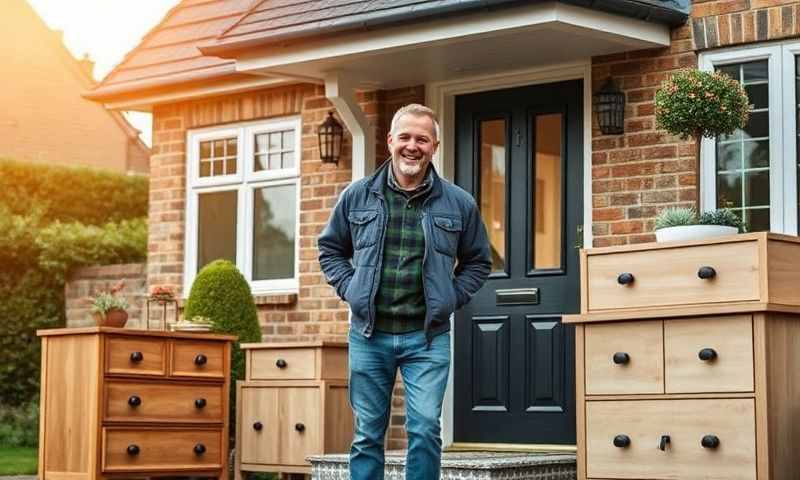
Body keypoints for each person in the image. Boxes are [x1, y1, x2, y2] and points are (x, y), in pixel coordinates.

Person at [318, 104, 491, 480]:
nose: (413, 147)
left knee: (426, 428)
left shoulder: (459, 203)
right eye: (406, 137)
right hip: (369, 334)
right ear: (390, 141)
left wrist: (450, 296)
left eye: (422, 139)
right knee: (367, 434)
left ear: (435, 146)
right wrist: (351, 289)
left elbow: (479, 262)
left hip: (427, 338)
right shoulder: (357, 196)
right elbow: (330, 250)